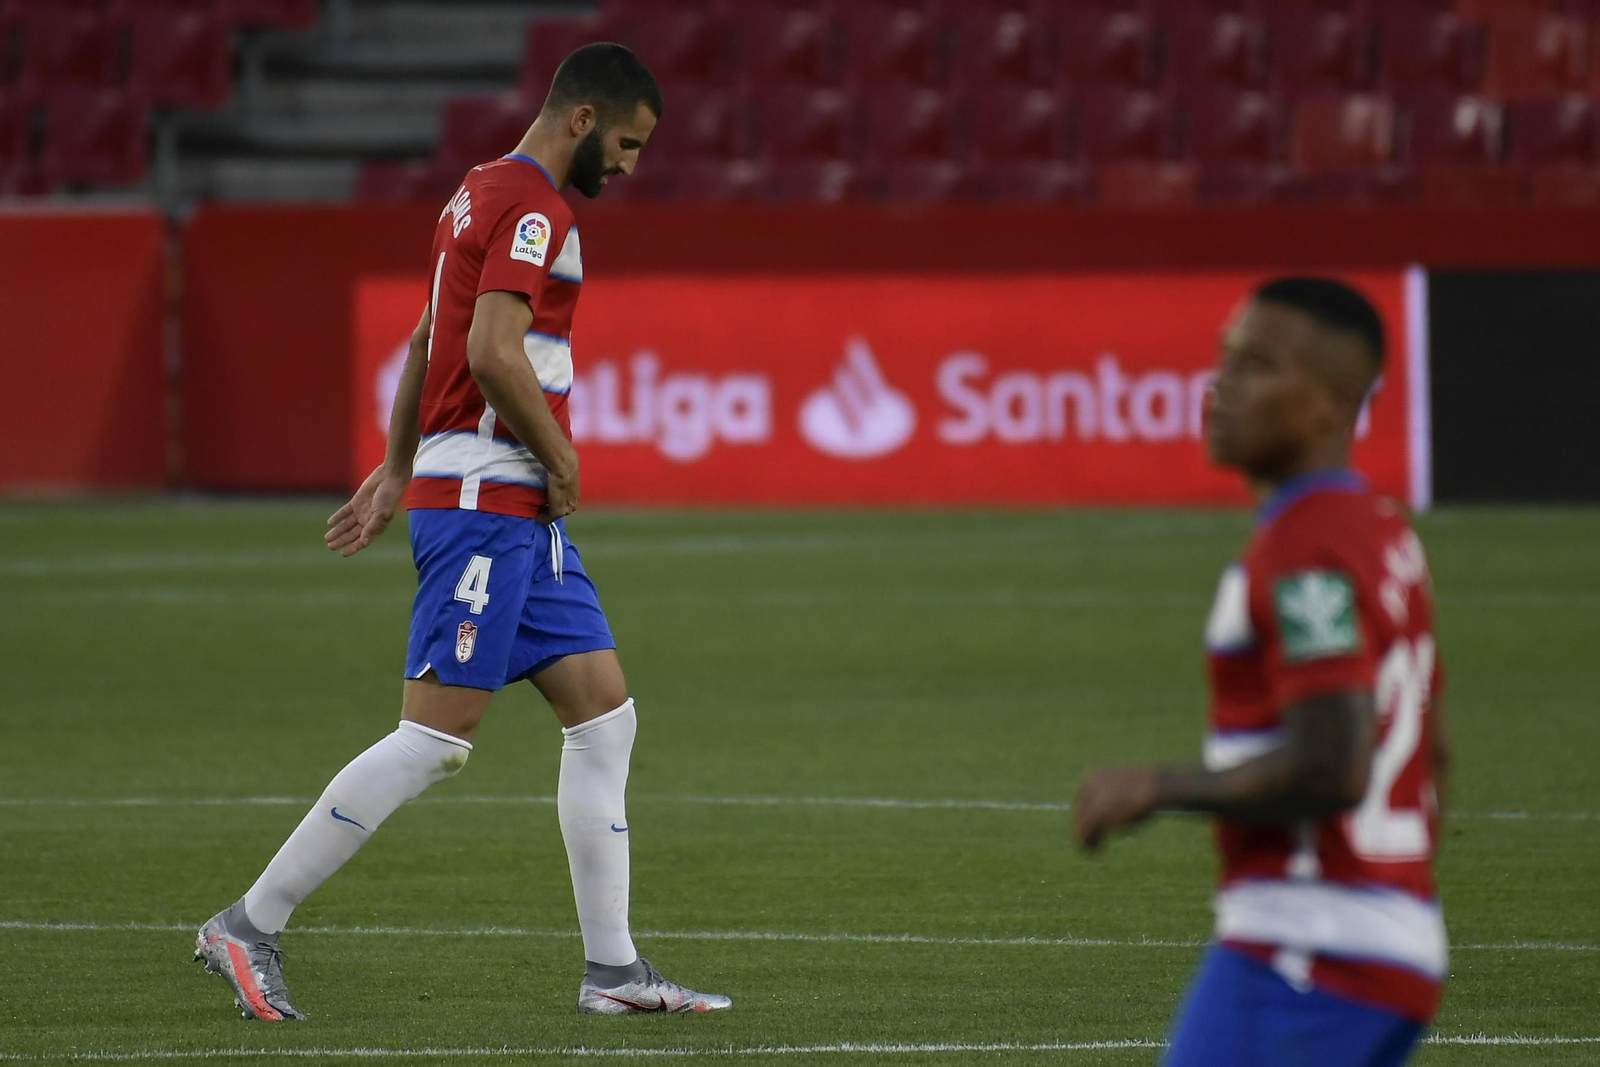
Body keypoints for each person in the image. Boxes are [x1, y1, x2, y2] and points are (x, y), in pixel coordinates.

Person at [194, 43, 731, 1020]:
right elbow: (485, 351)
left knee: (604, 717)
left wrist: (399, 465)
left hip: (504, 503)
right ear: (581, 120)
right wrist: (561, 459)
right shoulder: (536, 208)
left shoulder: (476, 190)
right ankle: (248, 921)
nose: (630, 165)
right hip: (491, 501)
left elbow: (422, 336)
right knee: (434, 740)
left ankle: (611, 972)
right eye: (627, 143)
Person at [1072, 278, 1447, 1066]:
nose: (1223, 387)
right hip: (1379, 933)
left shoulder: (1304, 546)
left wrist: (1160, 785)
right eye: (1225, 360)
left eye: (1258, 367)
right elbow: (1432, 748)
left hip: (1309, 947)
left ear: (1335, 401)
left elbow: (1335, 762)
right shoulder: (1379, 532)